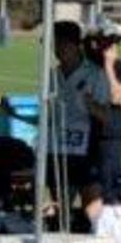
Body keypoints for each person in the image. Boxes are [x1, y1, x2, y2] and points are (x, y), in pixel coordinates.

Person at [44, 19, 110, 210]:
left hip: (84, 150)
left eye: (60, 43)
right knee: (61, 207)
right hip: (57, 149)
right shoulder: (52, 75)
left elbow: (105, 117)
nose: (56, 49)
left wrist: (90, 105)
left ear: (74, 44)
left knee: (91, 209)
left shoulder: (95, 74)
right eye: (53, 44)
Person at [81, 23, 121, 187]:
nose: (113, 47)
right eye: (108, 42)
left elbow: (120, 99)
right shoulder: (87, 67)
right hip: (86, 133)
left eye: (115, 42)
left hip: (111, 136)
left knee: (108, 183)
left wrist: (109, 67)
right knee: (87, 184)